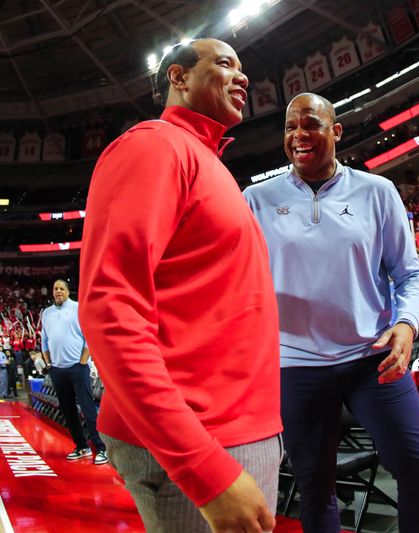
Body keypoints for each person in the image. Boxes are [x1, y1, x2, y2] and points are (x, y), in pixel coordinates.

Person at [79, 39, 282, 533]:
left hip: (232, 425)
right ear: (179, 77)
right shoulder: (154, 146)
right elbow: (110, 309)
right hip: (205, 435)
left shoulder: (208, 162)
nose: (243, 78)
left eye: (243, 69)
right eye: (225, 64)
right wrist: (201, 467)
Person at [244, 92, 419, 533]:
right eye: (290, 128)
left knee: (418, 467)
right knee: (315, 486)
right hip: (295, 365)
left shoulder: (376, 192)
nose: (299, 136)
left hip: (372, 359)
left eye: (310, 124)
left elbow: (410, 275)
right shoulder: (255, 200)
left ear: (335, 131)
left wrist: (407, 324)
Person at [41, 280, 106, 464]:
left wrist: (83, 361)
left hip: (78, 367)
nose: (58, 291)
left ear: (68, 292)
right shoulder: (46, 313)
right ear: (52, 292)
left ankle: (101, 447)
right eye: (55, 289)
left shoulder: (79, 309)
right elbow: (44, 341)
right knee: (68, 410)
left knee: (88, 409)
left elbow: (89, 337)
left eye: (62, 288)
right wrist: (48, 363)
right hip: (57, 370)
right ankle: (82, 446)